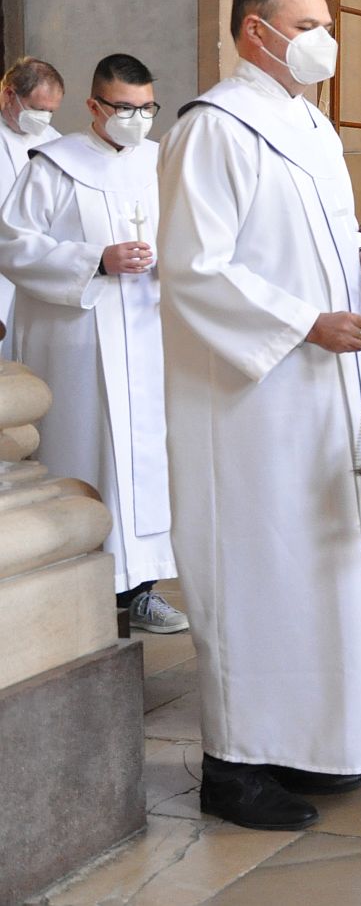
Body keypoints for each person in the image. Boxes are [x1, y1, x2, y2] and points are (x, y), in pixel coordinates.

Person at [159, 0, 361, 831]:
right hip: (252, 406)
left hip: (321, 394)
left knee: (319, 567)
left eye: (325, 22)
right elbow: (194, 269)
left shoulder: (307, 124)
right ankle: (234, 764)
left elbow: (319, 231)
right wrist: (305, 321)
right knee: (258, 571)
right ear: (255, 31)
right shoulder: (213, 129)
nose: (323, 39)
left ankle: (310, 740)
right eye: (308, 23)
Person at [0, 53, 182, 634]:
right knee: (89, 453)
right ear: (94, 106)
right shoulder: (53, 165)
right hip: (80, 339)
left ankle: (145, 589)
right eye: (123, 108)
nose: (136, 119)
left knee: (149, 464)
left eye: (146, 107)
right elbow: (12, 244)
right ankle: (86, 585)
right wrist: (95, 260)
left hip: (150, 334)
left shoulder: (162, 162)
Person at [0, 58, 66, 358]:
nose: (44, 119)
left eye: (51, 112)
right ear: (9, 94)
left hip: (36, 270)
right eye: (37, 109)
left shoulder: (55, 145)